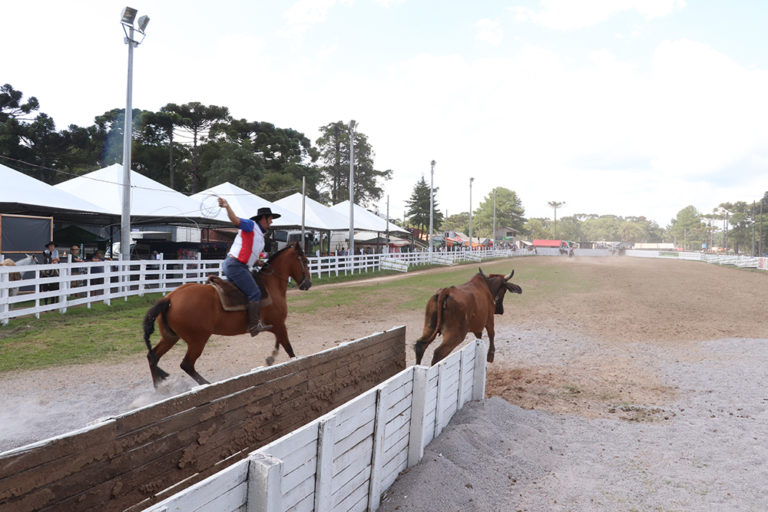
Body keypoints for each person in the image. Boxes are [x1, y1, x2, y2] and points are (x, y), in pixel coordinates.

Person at [219, 197, 280, 336]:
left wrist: (257, 261)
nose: (271, 222)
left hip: (237, 265)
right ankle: (253, 325)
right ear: (263, 218)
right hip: (236, 266)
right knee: (255, 292)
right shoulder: (251, 225)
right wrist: (227, 206)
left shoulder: (259, 235)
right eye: (270, 219)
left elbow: (249, 253)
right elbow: (235, 220)